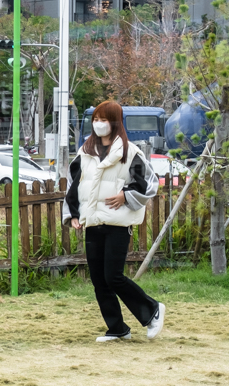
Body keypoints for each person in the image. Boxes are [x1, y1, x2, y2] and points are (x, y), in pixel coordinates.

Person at [63, 100, 165, 342]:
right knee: (99, 280)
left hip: (118, 224)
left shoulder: (131, 153)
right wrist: (73, 214)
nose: (99, 124)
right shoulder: (84, 152)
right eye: (95, 120)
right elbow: (72, 184)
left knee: (113, 276)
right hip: (93, 223)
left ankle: (152, 311)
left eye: (104, 119)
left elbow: (150, 184)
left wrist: (126, 195)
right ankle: (117, 328)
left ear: (115, 122)